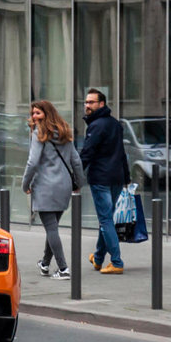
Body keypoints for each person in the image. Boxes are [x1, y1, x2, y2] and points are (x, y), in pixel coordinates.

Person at [21, 100, 86, 280]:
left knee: (51, 228)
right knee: (53, 228)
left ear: (47, 114)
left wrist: (25, 185)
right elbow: (76, 161)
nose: (34, 116)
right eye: (33, 113)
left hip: (45, 187)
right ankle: (45, 263)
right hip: (63, 186)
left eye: (38, 113)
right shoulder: (65, 132)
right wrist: (79, 183)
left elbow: (32, 163)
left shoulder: (38, 134)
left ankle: (63, 268)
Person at [80, 88, 130, 274]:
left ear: (102, 104)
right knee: (106, 219)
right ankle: (98, 258)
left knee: (106, 220)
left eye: (91, 102)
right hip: (116, 178)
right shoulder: (115, 124)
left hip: (101, 178)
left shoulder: (96, 126)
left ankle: (117, 262)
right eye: (86, 102)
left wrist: (76, 176)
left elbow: (87, 153)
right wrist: (126, 177)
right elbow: (122, 153)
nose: (87, 105)